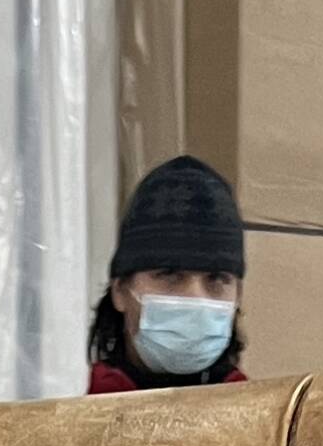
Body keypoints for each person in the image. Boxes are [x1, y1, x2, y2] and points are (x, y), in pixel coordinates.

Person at [88, 154, 247, 391]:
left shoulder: (267, 410)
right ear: (120, 291)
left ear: (238, 295)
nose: (195, 297)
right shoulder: (67, 403)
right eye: (170, 274)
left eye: (216, 278)